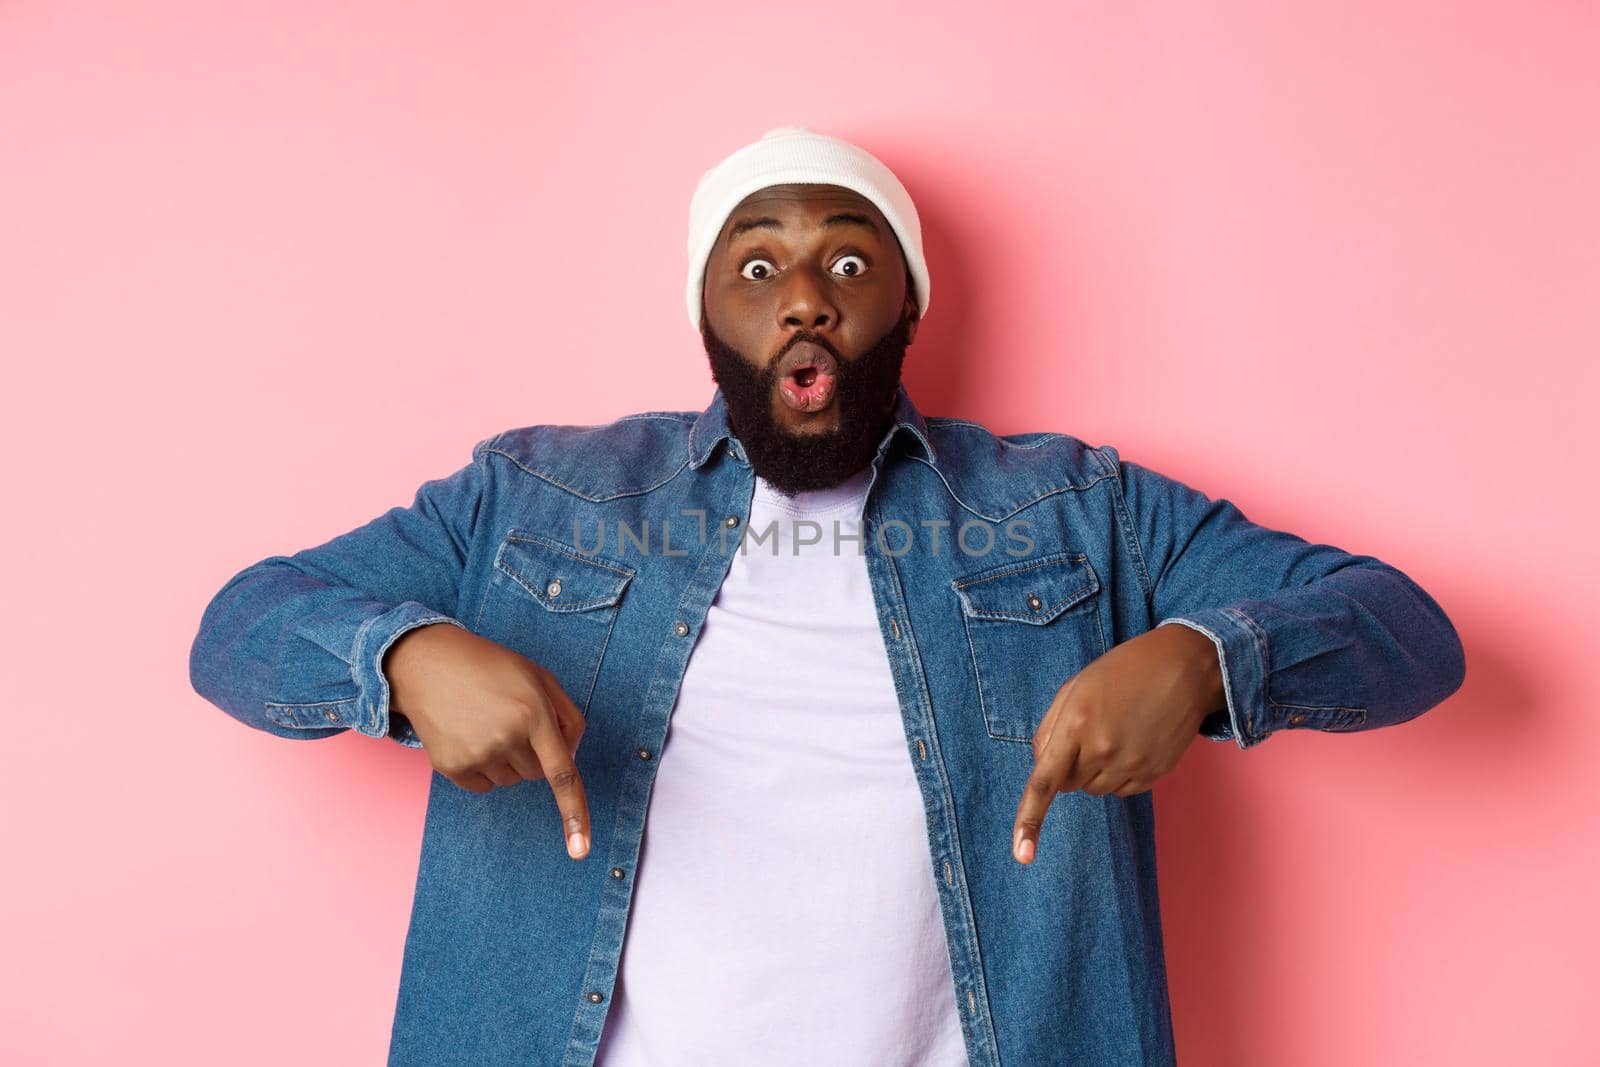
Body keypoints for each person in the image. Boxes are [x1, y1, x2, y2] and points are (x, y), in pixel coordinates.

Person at [189, 125, 1466, 1066]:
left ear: (907, 297)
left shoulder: (1076, 507)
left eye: (850, 263)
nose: (804, 296)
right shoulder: (533, 497)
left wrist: (1198, 656)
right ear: (702, 311)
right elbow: (243, 623)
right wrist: (404, 653)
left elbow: (1405, 629)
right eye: (756, 267)